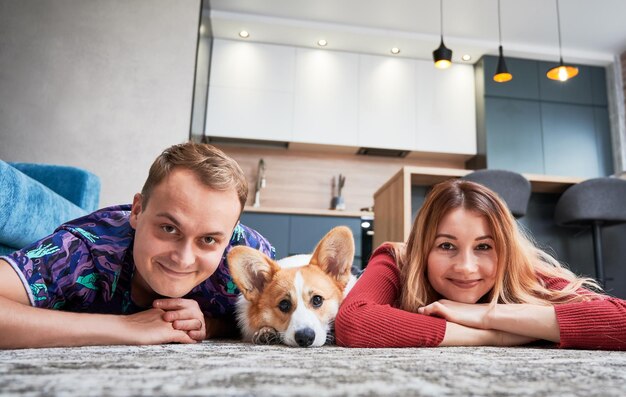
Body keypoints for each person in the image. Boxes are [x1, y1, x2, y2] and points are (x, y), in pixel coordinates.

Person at [0, 142, 274, 349]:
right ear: (137, 211)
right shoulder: (82, 250)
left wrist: (210, 325)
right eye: (169, 228)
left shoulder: (246, 258)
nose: (183, 258)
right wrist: (124, 327)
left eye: (209, 240)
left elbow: (288, 315)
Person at [335, 179, 626, 350]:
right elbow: (354, 322)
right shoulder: (397, 259)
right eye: (446, 246)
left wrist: (487, 315)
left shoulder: (518, 268)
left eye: (484, 247)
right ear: (422, 248)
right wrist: (492, 336)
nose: (466, 267)